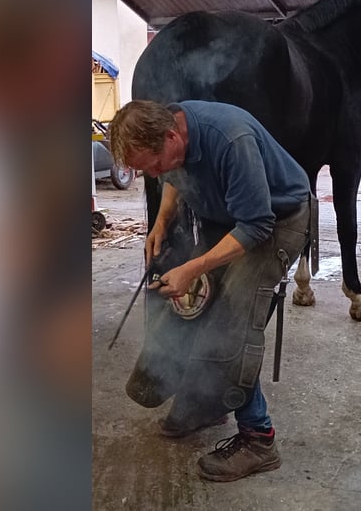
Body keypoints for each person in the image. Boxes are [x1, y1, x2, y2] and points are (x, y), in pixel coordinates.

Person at [109, 99, 311, 482]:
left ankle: (259, 439)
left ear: (171, 135)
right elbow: (173, 175)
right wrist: (162, 221)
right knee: (192, 305)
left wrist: (193, 267)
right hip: (233, 217)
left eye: (152, 164)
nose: (153, 175)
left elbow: (256, 225)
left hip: (275, 222)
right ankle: (207, 402)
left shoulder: (232, 140)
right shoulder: (172, 133)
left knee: (230, 324)